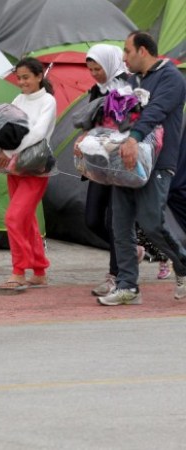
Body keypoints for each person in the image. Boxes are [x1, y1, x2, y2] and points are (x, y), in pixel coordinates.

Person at [98, 31, 186, 306]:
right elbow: (112, 115)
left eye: (127, 51)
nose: (123, 58)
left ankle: (182, 264)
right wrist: (92, 138)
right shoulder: (130, 80)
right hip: (124, 162)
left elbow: (156, 111)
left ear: (143, 51)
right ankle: (127, 286)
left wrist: (134, 138)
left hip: (157, 163)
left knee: (151, 222)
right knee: (120, 225)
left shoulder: (171, 78)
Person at [0, 58, 57, 289]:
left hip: (36, 168)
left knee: (13, 218)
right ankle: (39, 271)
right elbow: (4, 125)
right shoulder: (19, 99)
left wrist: (9, 150)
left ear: (39, 76)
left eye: (26, 77)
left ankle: (18, 270)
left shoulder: (48, 101)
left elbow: (38, 133)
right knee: (26, 220)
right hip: (16, 168)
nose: (21, 82)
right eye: (19, 78)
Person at [74, 44, 128, 296]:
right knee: (92, 219)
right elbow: (91, 122)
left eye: (99, 68)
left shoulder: (127, 87)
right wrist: (83, 138)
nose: (95, 73)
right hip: (99, 163)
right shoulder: (97, 90)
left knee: (116, 221)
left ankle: (115, 276)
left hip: (121, 162)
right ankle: (132, 250)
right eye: (91, 69)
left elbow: (128, 125)